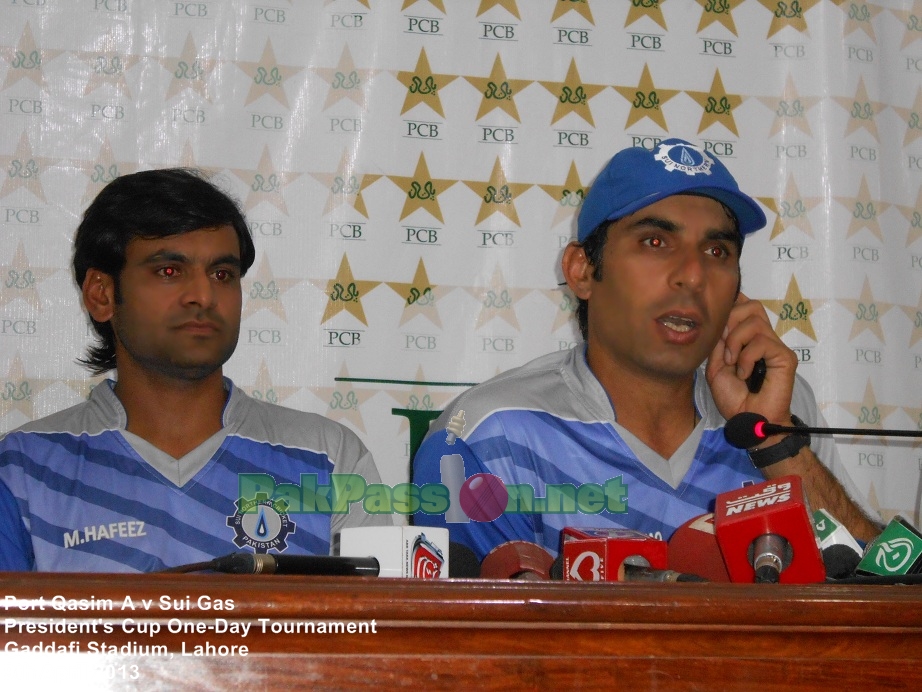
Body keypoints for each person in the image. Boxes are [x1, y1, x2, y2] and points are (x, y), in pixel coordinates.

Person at [412, 138, 880, 561]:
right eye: (655, 242)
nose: (693, 276)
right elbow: (472, 649)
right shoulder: (487, 437)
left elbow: (890, 602)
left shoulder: (778, 411)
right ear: (581, 271)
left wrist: (775, 445)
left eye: (717, 252)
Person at [0, 168, 389, 572]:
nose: (203, 296)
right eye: (169, 271)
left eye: (223, 275)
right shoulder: (23, 469)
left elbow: (374, 631)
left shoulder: (329, 458)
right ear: (102, 294)